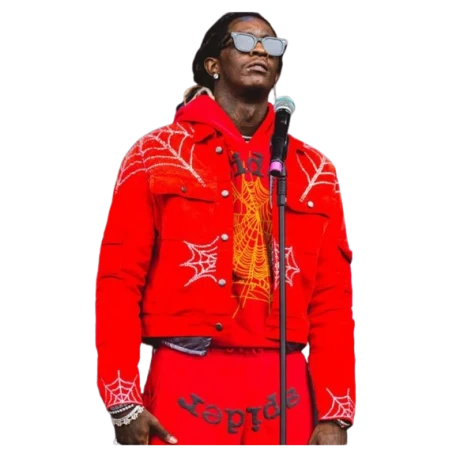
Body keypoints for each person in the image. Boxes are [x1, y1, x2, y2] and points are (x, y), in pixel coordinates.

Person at [94, 11, 357, 447]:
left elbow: (332, 301)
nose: (260, 51)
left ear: (279, 69)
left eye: (272, 45)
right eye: (245, 41)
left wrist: (337, 413)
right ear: (213, 63)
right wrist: (123, 399)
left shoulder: (314, 172)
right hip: (186, 371)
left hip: (284, 381)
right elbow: (118, 281)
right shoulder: (156, 154)